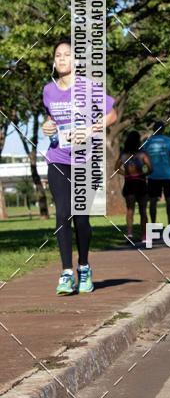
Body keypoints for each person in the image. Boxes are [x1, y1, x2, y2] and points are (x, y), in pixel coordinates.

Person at [42, 37, 117, 295]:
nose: (62, 58)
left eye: (67, 54)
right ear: (54, 62)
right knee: (63, 214)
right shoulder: (48, 90)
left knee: (81, 220)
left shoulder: (89, 87)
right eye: (58, 55)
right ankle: (65, 273)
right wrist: (46, 126)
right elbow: (51, 120)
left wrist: (89, 129)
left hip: (84, 160)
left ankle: (84, 267)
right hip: (58, 158)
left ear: (76, 60)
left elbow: (111, 114)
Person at [114, 130, 152, 244]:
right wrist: (144, 174)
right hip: (140, 183)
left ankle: (129, 235)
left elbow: (116, 168)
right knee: (143, 211)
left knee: (130, 210)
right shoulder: (142, 154)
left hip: (129, 184)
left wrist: (125, 174)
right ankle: (144, 236)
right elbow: (151, 168)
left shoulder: (124, 154)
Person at [146, 120, 170, 224]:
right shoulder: (168, 141)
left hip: (153, 175)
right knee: (169, 200)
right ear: (164, 129)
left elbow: (144, 158)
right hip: (168, 175)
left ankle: (153, 224)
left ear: (153, 129)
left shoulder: (148, 141)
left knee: (153, 201)